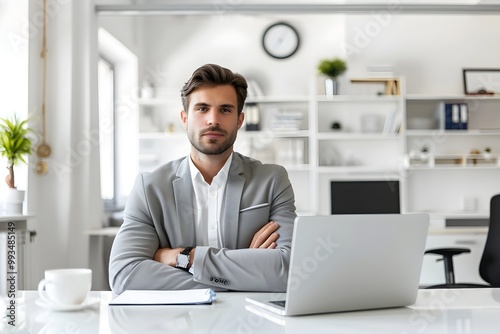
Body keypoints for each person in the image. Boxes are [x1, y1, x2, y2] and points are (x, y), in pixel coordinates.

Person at [109, 64, 296, 294]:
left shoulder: (272, 180)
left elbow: (288, 272)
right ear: (184, 118)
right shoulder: (150, 189)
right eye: (202, 108)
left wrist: (184, 257)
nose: (213, 120)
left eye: (225, 110)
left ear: (240, 120)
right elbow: (124, 276)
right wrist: (247, 275)